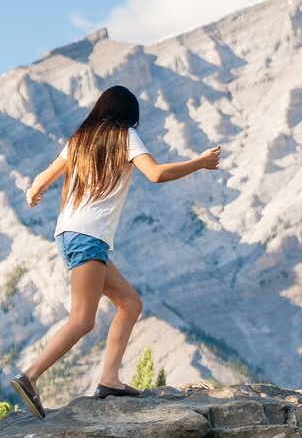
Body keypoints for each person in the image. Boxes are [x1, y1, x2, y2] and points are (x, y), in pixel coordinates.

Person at [11, 85, 221, 415]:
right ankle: (30, 376)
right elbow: (156, 174)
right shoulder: (123, 136)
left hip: (69, 234)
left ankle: (109, 379)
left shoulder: (79, 139)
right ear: (127, 116)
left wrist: (33, 193)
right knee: (82, 320)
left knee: (130, 303)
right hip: (88, 237)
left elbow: (40, 180)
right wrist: (199, 162)